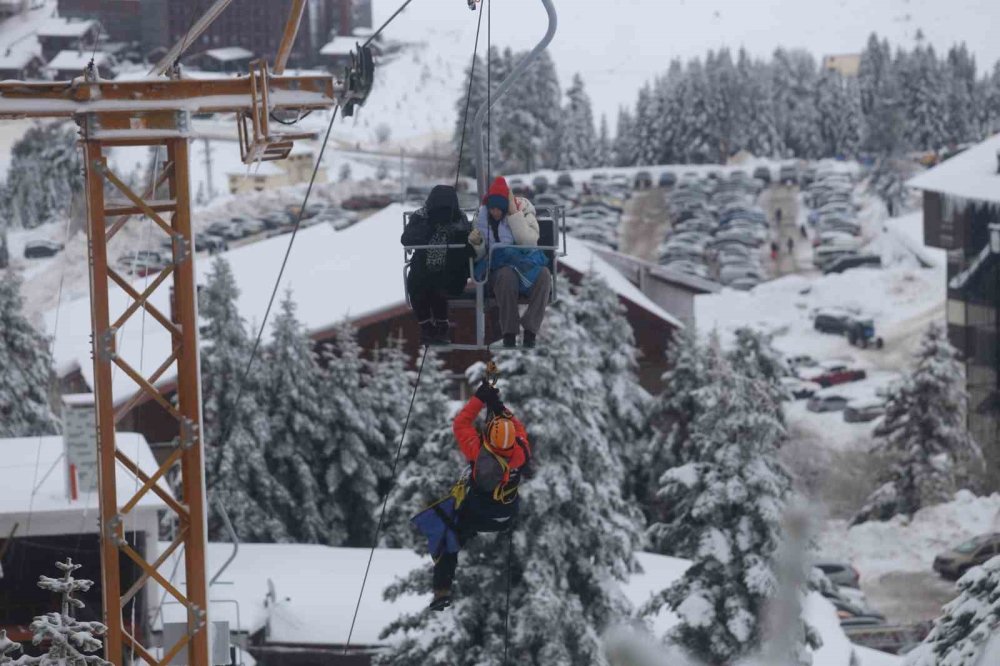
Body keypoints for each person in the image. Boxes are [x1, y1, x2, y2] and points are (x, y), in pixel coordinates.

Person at [414, 381, 532, 611]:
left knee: (447, 537)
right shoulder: (520, 454)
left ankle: (442, 590)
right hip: (503, 518)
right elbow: (520, 431)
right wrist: (499, 407)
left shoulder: (477, 450)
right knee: (453, 528)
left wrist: (480, 398)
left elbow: (461, 423)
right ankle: (442, 590)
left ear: (488, 434)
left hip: (474, 515)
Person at [468, 176, 552, 348]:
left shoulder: (526, 215)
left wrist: (515, 216)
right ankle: (509, 332)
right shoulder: (483, 221)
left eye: (499, 209)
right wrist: (477, 244)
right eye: (492, 209)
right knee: (507, 276)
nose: (495, 213)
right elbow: (480, 256)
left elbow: (528, 242)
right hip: (498, 270)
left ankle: (530, 330)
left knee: (544, 275)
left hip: (525, 266)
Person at [400, 185, 472, 345]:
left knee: (436, 284)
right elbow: (407, 239)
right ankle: (427, 327)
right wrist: (429, 228)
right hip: (423, 267)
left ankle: (441, 327)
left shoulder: (459, 219)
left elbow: (466, 242)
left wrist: (451, 235)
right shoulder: (421, 217)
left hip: (452, 268)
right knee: (417, 281)